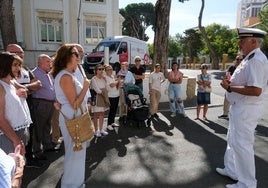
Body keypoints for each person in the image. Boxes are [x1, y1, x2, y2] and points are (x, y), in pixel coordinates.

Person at [216, 28, 268, 188]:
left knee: (243, 145)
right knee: (233, 140)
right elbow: (246, 81)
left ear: (253, 41)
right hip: (240, 106)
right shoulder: (249, 58)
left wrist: (230, 88)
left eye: (242, 40)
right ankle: (232, 170)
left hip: (247, 108)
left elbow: (256, 90)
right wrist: (231, 82)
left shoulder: (257, 60)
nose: (239, 43)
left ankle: (247, 183)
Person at [52, 44, 90, 187]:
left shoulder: (67, 74)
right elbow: (74, 103)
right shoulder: (66, 76)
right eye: (75, 53)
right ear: (67, 56)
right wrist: (86, 86)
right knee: (75, 152)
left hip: (73, 116)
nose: (79, 56)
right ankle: (71, 184)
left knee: (76, 152)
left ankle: (74, 183)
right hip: (73, 118)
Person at [6, 44, 44, 168]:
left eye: (22, 52)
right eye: (16, 52)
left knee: (29, 133)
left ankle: (28, 158)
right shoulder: (4, 78)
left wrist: (25, 89)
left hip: (26, 108)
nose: (21, 54)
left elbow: (38, 84)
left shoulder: (24, 70)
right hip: (10, 116)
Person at [0, 52, 32, 155]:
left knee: (20, 166)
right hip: (8, 135)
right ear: (4, 65)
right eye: (14, 65)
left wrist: (23, 93)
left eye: (19, 65)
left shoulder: (12, 82)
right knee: (12, 168)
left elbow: (24, 89)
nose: (18, 68)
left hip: (19, 131)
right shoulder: (1, 86)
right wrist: (16, 140)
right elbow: (0, 119)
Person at [32, 54, 58, 160]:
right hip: (40, 103)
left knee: (47, 125)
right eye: (48, 61)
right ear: (40, 62)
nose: (50, 64)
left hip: (49, 103)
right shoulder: (34, 73)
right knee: (38, 127)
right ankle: (37, 151)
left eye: (50, 61)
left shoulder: (47, 74)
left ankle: (47, 145)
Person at [218, 54, 243, 119]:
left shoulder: (244, 68)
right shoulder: (231, 67)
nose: (239, 61)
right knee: (227, 99)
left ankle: (237, 115)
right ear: (235, 60)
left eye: (241, 59)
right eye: (237, 59)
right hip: (230, 86)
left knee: (238, 101)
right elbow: (227, 75)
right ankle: (225, 114)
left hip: (239, 87)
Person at [91, 64, 110, 137]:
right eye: (99, 69)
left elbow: (107, 89)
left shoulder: (103, 79)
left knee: (102, 114)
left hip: (103, 97)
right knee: (96, 115)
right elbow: (97, 90)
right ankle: (96, 130)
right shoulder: (93, 79)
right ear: (96, 71)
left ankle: (101, 129)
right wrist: (104, 92)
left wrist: (105, 80)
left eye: (102, 69)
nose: (101, 71)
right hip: (97, 98)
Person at [104, 64, 120, 130]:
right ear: (106, 71)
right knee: (111, 110)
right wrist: (118, 81)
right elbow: (112, 85)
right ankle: (108, 125)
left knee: (114, 110)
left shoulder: (113, 76)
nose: (110, 70)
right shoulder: (106, 77)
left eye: (111, 69)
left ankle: (112, 122)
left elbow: (116, 86)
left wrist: (118, 82)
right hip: (111, 96)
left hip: (116, 95)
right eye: (108, 70)